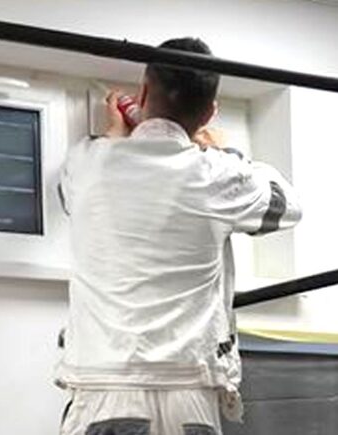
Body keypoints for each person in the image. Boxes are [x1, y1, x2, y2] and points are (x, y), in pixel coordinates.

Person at [55, 37, 302, 435]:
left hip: (106, 385)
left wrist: (116, 135)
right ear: (209, 113)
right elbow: (288, 206)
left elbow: (66, 197)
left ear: (144, 92)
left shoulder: (86, 163)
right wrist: (223, 153)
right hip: (190, 392)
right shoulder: (216, 174)